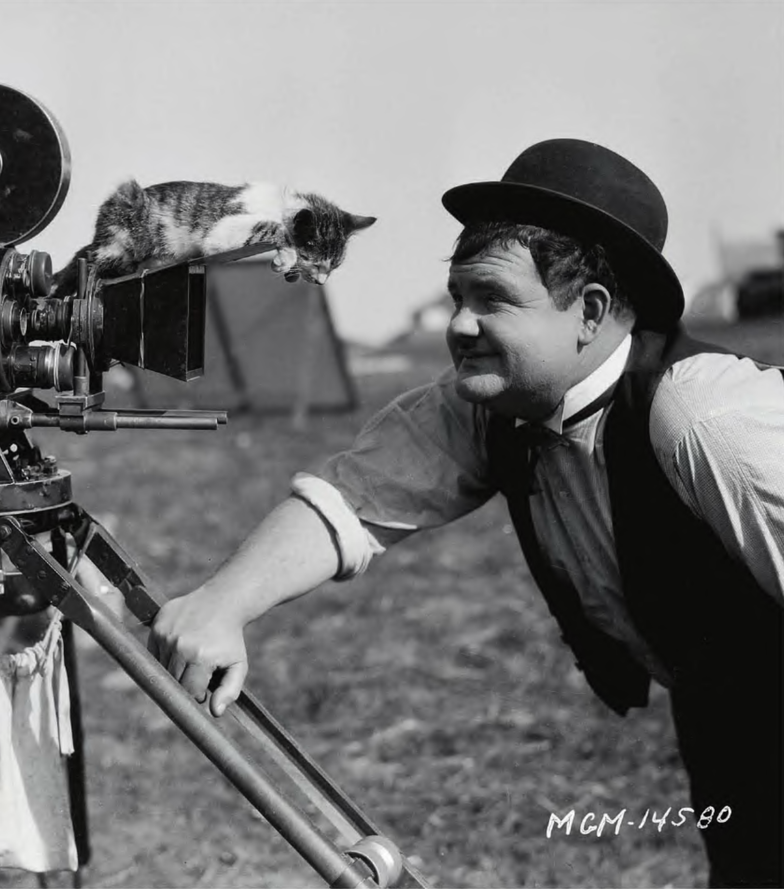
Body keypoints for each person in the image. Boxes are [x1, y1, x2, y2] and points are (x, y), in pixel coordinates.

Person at [148, 139, 783, 888]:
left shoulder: (706, 418)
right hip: (725, 713)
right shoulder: (493, 405)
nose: (459, 324)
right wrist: (222, 604)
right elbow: (354, 496)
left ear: (589, 311)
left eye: (492, 298)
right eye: (457, 296)